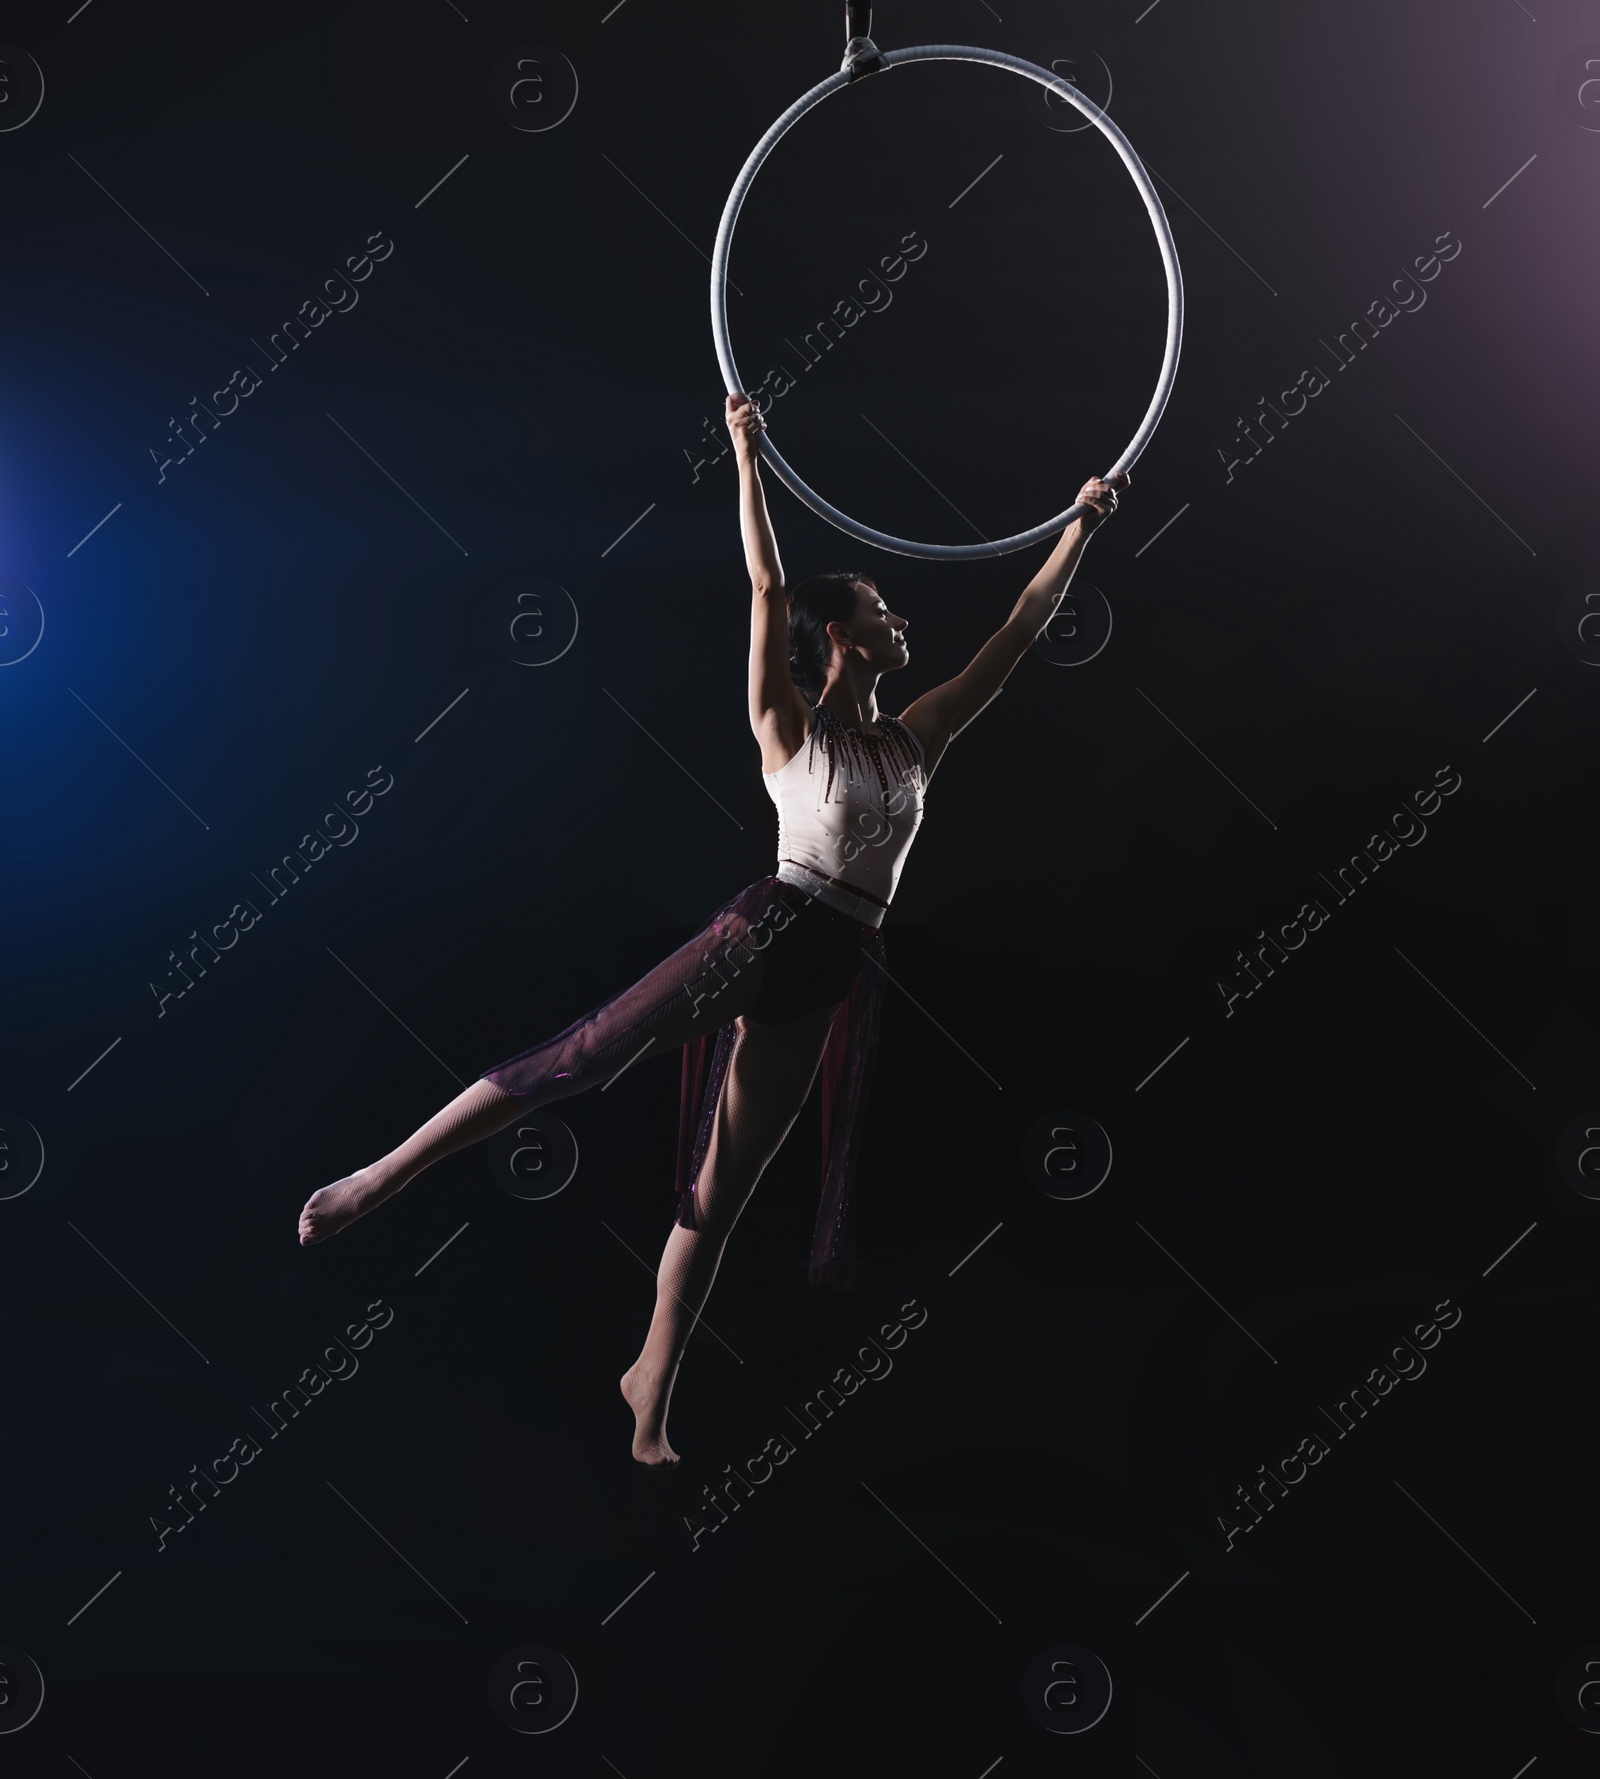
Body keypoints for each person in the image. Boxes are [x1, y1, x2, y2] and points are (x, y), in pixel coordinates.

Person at [296, 391, 1126, 1463]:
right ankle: (379, 1178)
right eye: (884, 609)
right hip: (767, 928)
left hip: (834, 966)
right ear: (841, 637)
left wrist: (1082, 529)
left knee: (723, 1192)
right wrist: (746, 453)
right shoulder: (785, 724)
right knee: (584, 1058)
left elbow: (1015, 632)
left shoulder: (919, 739)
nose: (904, 621)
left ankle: (652, 1376)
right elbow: (768, 583)